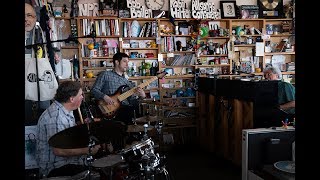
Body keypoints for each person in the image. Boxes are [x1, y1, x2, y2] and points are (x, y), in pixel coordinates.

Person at [36, 81, 101, 178]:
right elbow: (59, 151)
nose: (83, 97)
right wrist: (88, 150)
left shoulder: (65, 109)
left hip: (67, 162)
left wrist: (82, 126)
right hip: (56, 168)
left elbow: (66, 133)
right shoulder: (56, 117)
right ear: (72, 99)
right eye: (80, 95)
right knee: (97, 173)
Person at [91, 52, 146, 124]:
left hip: (126, 111)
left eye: (128, 62)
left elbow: (132, 102)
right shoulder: (105, 74)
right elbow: (94, 90)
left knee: (139, 112)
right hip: (109, 111)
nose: (127, 64)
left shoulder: (127, 82)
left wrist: (142, 96)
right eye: (124, 61)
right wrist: (105, 97)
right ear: (117, 62)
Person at [25, 3, 51, 125]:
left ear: (35, 18)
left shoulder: (40, 34)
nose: (26, 19)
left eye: (29, 15)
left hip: (39, 86)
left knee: (42, 119)